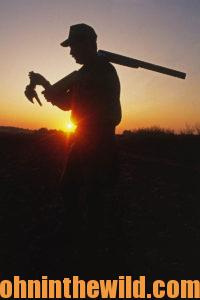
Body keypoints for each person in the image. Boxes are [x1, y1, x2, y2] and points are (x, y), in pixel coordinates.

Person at [43, 23, 122, 270]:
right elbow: (69, 104)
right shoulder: (89, 71)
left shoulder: (100, 71)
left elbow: (74, 99)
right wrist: (50, 88)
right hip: (84, 139)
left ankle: (96, 251)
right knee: (70, 187)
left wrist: (54, 90)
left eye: (73, 46)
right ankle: (77, 233)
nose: (70, 52)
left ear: (87, 44)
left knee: (95, 194)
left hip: (98, 141)